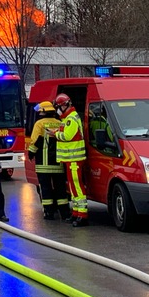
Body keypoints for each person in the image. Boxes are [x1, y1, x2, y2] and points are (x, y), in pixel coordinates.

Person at [26, 101, 66, 220]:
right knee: (60, 189)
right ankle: (64, 212)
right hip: (58, 163)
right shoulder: (59, 123)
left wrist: (31, 154)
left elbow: (34, 142)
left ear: (43, 112)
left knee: (46, 188)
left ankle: (49, 212)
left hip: (43, 163)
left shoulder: (39, 124)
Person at [55, 94, 88, 227]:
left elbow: (67, 136)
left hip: (75, 159)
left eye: (59, 106)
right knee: (72, 187)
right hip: (70, 159)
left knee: (77, 186)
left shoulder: (71, 119)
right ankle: (76, 213)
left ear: (66, 105)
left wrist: (55, 134)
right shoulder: (67, 118)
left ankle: (83, 215)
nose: (58, 109)